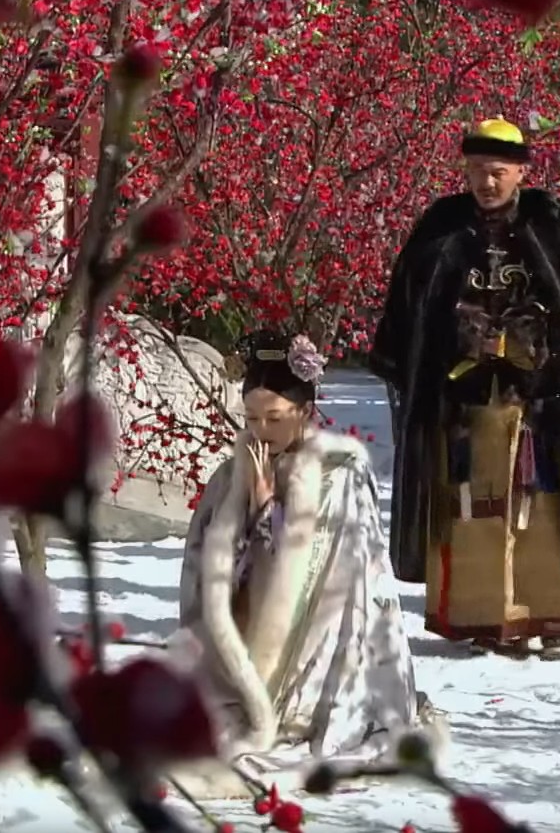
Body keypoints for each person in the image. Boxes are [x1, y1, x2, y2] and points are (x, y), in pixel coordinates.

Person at [367, 118, 560, 660]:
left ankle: (553, 615)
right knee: (474, 510)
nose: (486, 183)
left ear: (520, 171)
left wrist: (535, 338)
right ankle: (484, 617)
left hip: (542, 403)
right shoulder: (441, 227)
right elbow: (409, 307)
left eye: (497, 172)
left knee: (544, 509)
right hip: (464, 404)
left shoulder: (554, 224)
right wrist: (458, 334)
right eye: (476, 171)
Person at [174, 331, 438, 787]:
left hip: (318, 644)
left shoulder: (340, 475)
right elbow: (206, 570)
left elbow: (341, 573)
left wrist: (272, 510)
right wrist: (251, 508)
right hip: (247, 640)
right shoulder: (233, 473)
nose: (261, 430)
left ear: (305, 411)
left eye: (274, 418)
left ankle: (293, 708)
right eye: (251, 418)